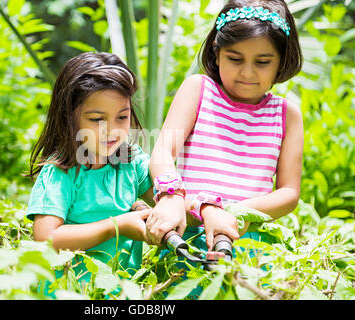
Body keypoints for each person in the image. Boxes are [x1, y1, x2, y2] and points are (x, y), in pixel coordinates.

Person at [146, 0, 304, 252]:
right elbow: (163, 152)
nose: (247, 73)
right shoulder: (198, 90)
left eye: (262, 62)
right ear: (216, 53)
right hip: (186, 235)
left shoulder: (286, 115)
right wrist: (170, 195)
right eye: (235, 58)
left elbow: (288, 192)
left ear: (281, 61)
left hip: (248, 242)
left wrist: (232, 213)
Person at [26, 52, 156, 297]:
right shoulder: (61, 172)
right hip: (67, 291)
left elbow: (165, 198)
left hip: (119, 293)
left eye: (122, 117)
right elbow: (46, 237)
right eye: (97, 119)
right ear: (69, 117)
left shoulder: (131, 162)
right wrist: (116, 226)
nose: (113, 131)